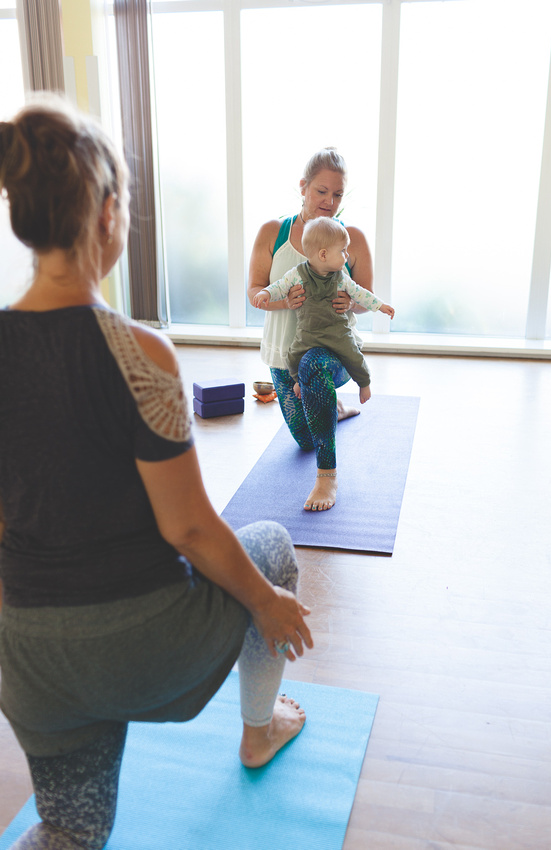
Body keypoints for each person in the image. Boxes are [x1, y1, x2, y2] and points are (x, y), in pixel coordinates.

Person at [0, 96, 313, 850]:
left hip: (30, 667)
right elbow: (191, 529)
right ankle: (259, 729)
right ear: (107, 215)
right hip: (144, 654)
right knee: (267, 544)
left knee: (69, 829)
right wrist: (268, 603)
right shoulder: (142, 355)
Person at [248, 146, 377, 512]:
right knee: (305, 439)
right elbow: (254, 291)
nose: (329, 201)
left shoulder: (351, 238)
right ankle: (331, 408)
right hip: (284, 353)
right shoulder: (273, 232)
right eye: (321, 191)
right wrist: (283, 300)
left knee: (313, 368)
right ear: (303, 187)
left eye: (337, 194)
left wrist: (346, 302)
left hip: (331, 351)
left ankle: (327, 478)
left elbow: (365, 297)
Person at [253, 217, 395, 406]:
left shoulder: (341, 277)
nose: (346, 255)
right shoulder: (297, 274)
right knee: (293, 357)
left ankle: (364, 384)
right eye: (343, 251)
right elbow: (280, 286)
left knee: (354, 355)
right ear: (323, 255)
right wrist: (266, 292)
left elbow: (361, 293)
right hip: (307, 333)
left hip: (338, 332)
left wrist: (380, 306)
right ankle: (298, 382)